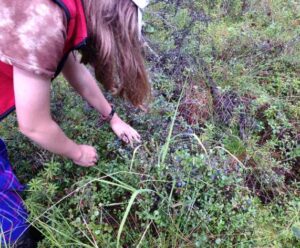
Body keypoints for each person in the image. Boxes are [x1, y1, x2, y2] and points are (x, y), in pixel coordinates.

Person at [0, 0, 150, 246]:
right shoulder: (45, 20)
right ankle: (19, 238)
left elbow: (74, 70)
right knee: (5, 209)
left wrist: (113, 118)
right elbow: (34, 125)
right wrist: (77, 152)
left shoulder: (63, 10)